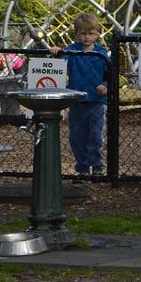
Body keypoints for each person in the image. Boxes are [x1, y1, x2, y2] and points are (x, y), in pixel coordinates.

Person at [51, 12, 110, 176]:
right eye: (83, 33)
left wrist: (105, 85)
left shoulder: (101, 52)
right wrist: (56, 52)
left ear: (97, 34)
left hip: (96, 101)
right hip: (77, 100)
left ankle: (96, 165)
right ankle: (83, 167)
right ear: (77, 34)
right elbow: (59, 64)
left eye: (91, 33)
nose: (87, 37)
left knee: (95, 136)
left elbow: (109, 75)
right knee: (76, 137)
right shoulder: (72, 51)